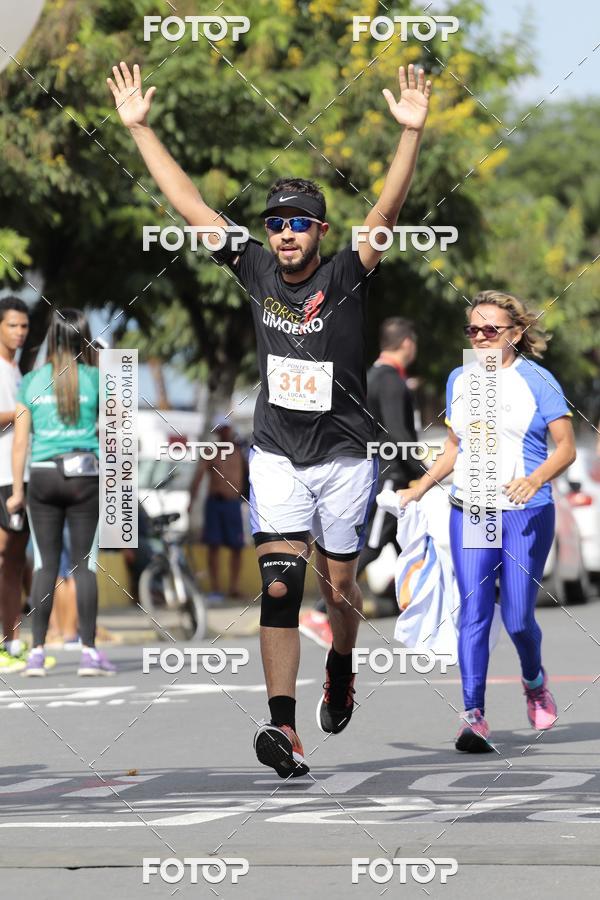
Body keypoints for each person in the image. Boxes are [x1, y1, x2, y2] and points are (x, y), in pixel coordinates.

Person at [109, 60, 432, 776]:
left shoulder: (346, 274)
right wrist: (140, 130)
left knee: (339, 589)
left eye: (298, 224)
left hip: (345, 456)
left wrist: (409, 135)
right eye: (275, 224)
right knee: (283, 585)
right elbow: (191, 207)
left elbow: (386, 211)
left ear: (320, 230)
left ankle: (341, 664)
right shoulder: (254, 269)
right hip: (280, 454)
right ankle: (283, 729)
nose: (285, 234)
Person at [397, 291, 576, 752]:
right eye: (473, 330)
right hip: (472, 508)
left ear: (514, 334)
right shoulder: (461, 378)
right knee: (473, 612)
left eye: (490, 330)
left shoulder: (538, 380)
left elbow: (566, 449)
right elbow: (454, 448)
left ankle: (534, 680)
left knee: (517, 618)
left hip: (525, 513)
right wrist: (421, 486)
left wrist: (534, 480)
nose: (480, 338)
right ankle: (472, 715)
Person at [299, 317, 421, 647]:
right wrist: (422, 472)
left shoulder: (369, 378)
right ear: (408, 343)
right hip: (389, 477)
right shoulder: (392, 381)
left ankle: (427, 609)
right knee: (371, 543)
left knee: (408, 544)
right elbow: (398, 434)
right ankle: (320, 611)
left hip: (381, 472)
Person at [7, 308, 115, 676]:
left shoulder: (32, 381)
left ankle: (36, 652)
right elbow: (115, 432)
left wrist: (17, 491)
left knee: (45, 564)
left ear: (50, 338)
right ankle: (88, 653)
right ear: (84, 337)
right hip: (85, 476)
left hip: (41, 476)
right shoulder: (96, 378)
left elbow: (20, 441)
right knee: (85, 565)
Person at [0, 296, 31, 667]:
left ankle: (12, 642)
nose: (19, 332)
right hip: (2, 476)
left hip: (17, 477)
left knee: (14, 563)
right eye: (12, 325)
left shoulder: (17, 370)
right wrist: (22, 413)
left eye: (23, 326)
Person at [188, 420, 247, 603]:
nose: (224, 433)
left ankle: (234, 587)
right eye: (221, 430)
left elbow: (249, 476)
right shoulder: (211, 451)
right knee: (213, 546)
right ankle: (215, 588)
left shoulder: (239, 453)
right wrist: (192, 500)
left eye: (226, 429)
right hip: (215, 503)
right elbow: (199, 476)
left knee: (237, 547)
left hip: (233, 504)